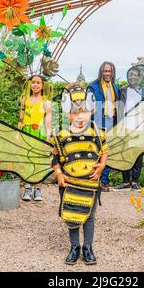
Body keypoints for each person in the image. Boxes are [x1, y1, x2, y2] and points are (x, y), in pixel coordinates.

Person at [51, 82, 108, 265]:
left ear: (91, 111)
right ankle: (75, 247)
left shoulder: (98, 133)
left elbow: (104, 150)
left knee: (90, 216)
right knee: (72, 214)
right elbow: (55, 159)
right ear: (68, 114)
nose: (79, 117)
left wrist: (101, 166)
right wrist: (59, 174)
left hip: (91, 184)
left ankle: (88, 248)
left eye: (83, 112)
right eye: (75, 113)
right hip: (70, 184)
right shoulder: (61, 136)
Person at [18, 74, 53, 201]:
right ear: (30, 84)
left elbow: (48, 122)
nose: (35, 85)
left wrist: (48, 137)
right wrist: (19, 132)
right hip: (26, 132)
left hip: (39, 132)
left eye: (38, 82)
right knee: (26, 159)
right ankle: (27, 187)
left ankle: (37, 189)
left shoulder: (46, 102)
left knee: (38, 160)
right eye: (33, 82)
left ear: (43, 85)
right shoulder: (25, 100)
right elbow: (21, 119)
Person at [87, 62, 119, 192]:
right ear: (101, 72)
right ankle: (93, 179)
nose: (107, 73)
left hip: (111, 121)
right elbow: (88, 108)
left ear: (112, 73)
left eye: (109, 71)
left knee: (107, 153)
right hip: (97, 121)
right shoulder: (92, 87)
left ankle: (104, 181)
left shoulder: (115, 87)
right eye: (105, 71)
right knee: (96, 151)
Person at [114, 67, 144, 191]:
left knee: (138, 154)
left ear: (139, 77)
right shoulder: (123, 91)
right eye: (130, 75)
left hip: (140, 126)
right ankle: (126, 181)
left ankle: (135, 181)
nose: (132, 77)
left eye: (135, 75)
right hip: (125, 126)